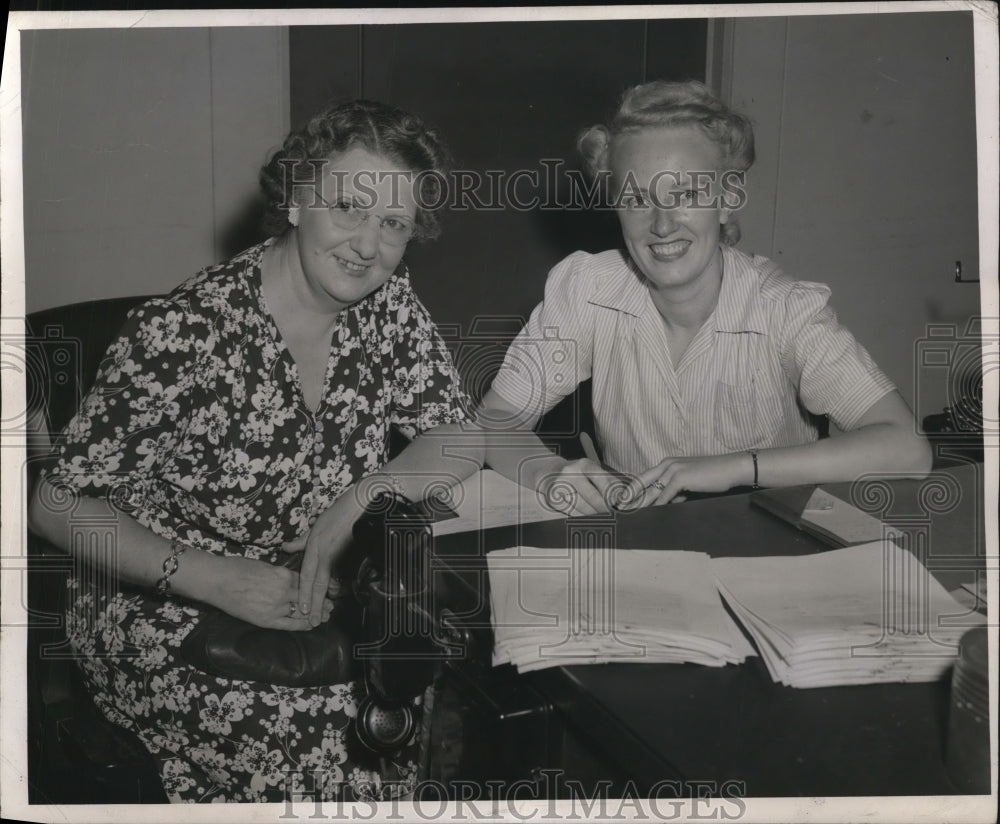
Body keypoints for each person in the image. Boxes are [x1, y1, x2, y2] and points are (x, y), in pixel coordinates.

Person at [28, 100, 479, 802]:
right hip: (161, 593)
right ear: (297, 199)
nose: (368, 245)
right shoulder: (186, 332)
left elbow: (460, 437)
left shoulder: (389, 307)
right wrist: (211, 578)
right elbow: (55, 506)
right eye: (349, 208)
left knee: (402, 697)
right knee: (318, 735)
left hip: (307, 584)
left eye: (393, 224)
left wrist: (354, 501)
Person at [478, 80, 931, 514]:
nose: (662, 224)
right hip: (639, 540)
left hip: (769, 542)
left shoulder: (784, 309)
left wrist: (732, 468)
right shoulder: (586, 290)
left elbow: (907, 447)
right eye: (637, 199)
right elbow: (495, 418)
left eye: (687, 194)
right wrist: (549, 472)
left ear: (727, 199)